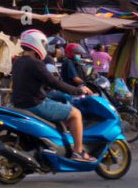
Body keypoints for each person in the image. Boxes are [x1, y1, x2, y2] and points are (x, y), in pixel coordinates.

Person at [11, 29, 94, 161]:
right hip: (35, 104)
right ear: (37, 44)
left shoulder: (18, 62)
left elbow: (31, 82)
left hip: (19, 104)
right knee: (76, 114)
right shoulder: (35, 63)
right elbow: (55, 82)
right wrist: (78, 90)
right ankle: (78, 152)